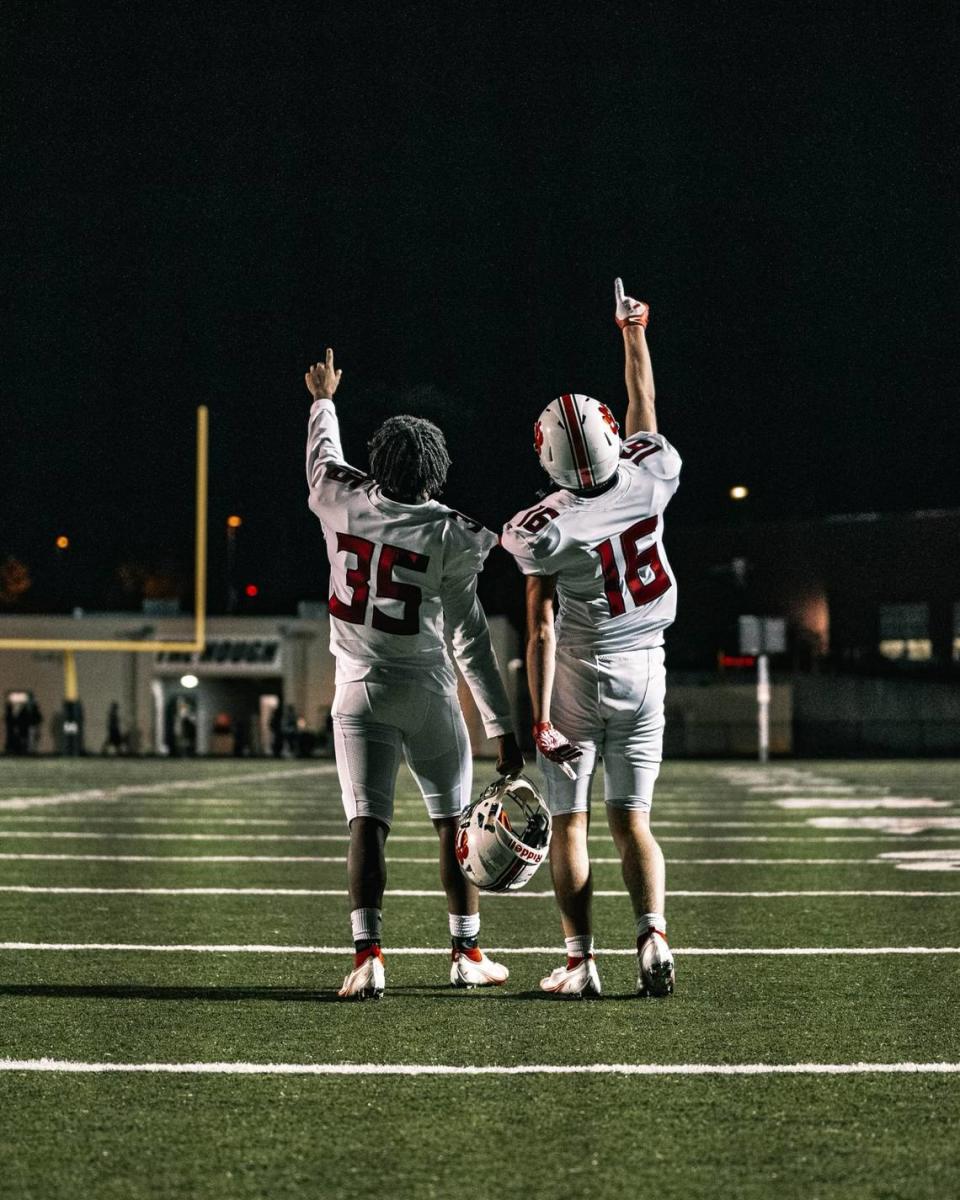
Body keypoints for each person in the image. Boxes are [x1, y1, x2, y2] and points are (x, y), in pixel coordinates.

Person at [305, 347, 524, 1000]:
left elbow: (322, 457)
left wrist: (324, 399)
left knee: (366, 824)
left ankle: (368, 954)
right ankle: (465, 952)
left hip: (357, 692)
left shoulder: (337, 499)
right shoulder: (454, 535)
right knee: (454, 824)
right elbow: (471, 640)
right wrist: (502, 726)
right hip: (428, 694)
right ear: (437, 472)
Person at [501, 278, 679, 999]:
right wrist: (633, 335)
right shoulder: (654, 474)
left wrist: (539, 718)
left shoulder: (547, 528)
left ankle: (580, 963)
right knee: (633, 819)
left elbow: (540, 624)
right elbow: (646, 409)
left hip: (580, 671)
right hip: (649, 668)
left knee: (570, 822)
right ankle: (654, 935)